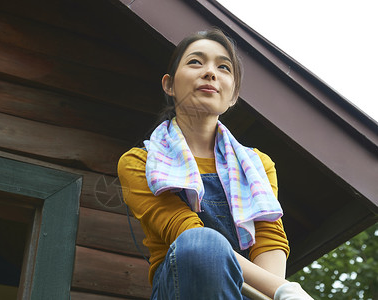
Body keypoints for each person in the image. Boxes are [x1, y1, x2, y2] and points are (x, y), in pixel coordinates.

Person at [118, 29, 312, 300]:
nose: (210, 73)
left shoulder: (259, 164)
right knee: (203, 244)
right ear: (169, 85)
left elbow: (268, 240)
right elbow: (188, 234)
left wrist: (277, 293)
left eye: (223, 67)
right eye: (195, 62)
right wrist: (284, 289)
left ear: (233, 96)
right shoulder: (140, 162)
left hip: (249, 294)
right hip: (181, 290)